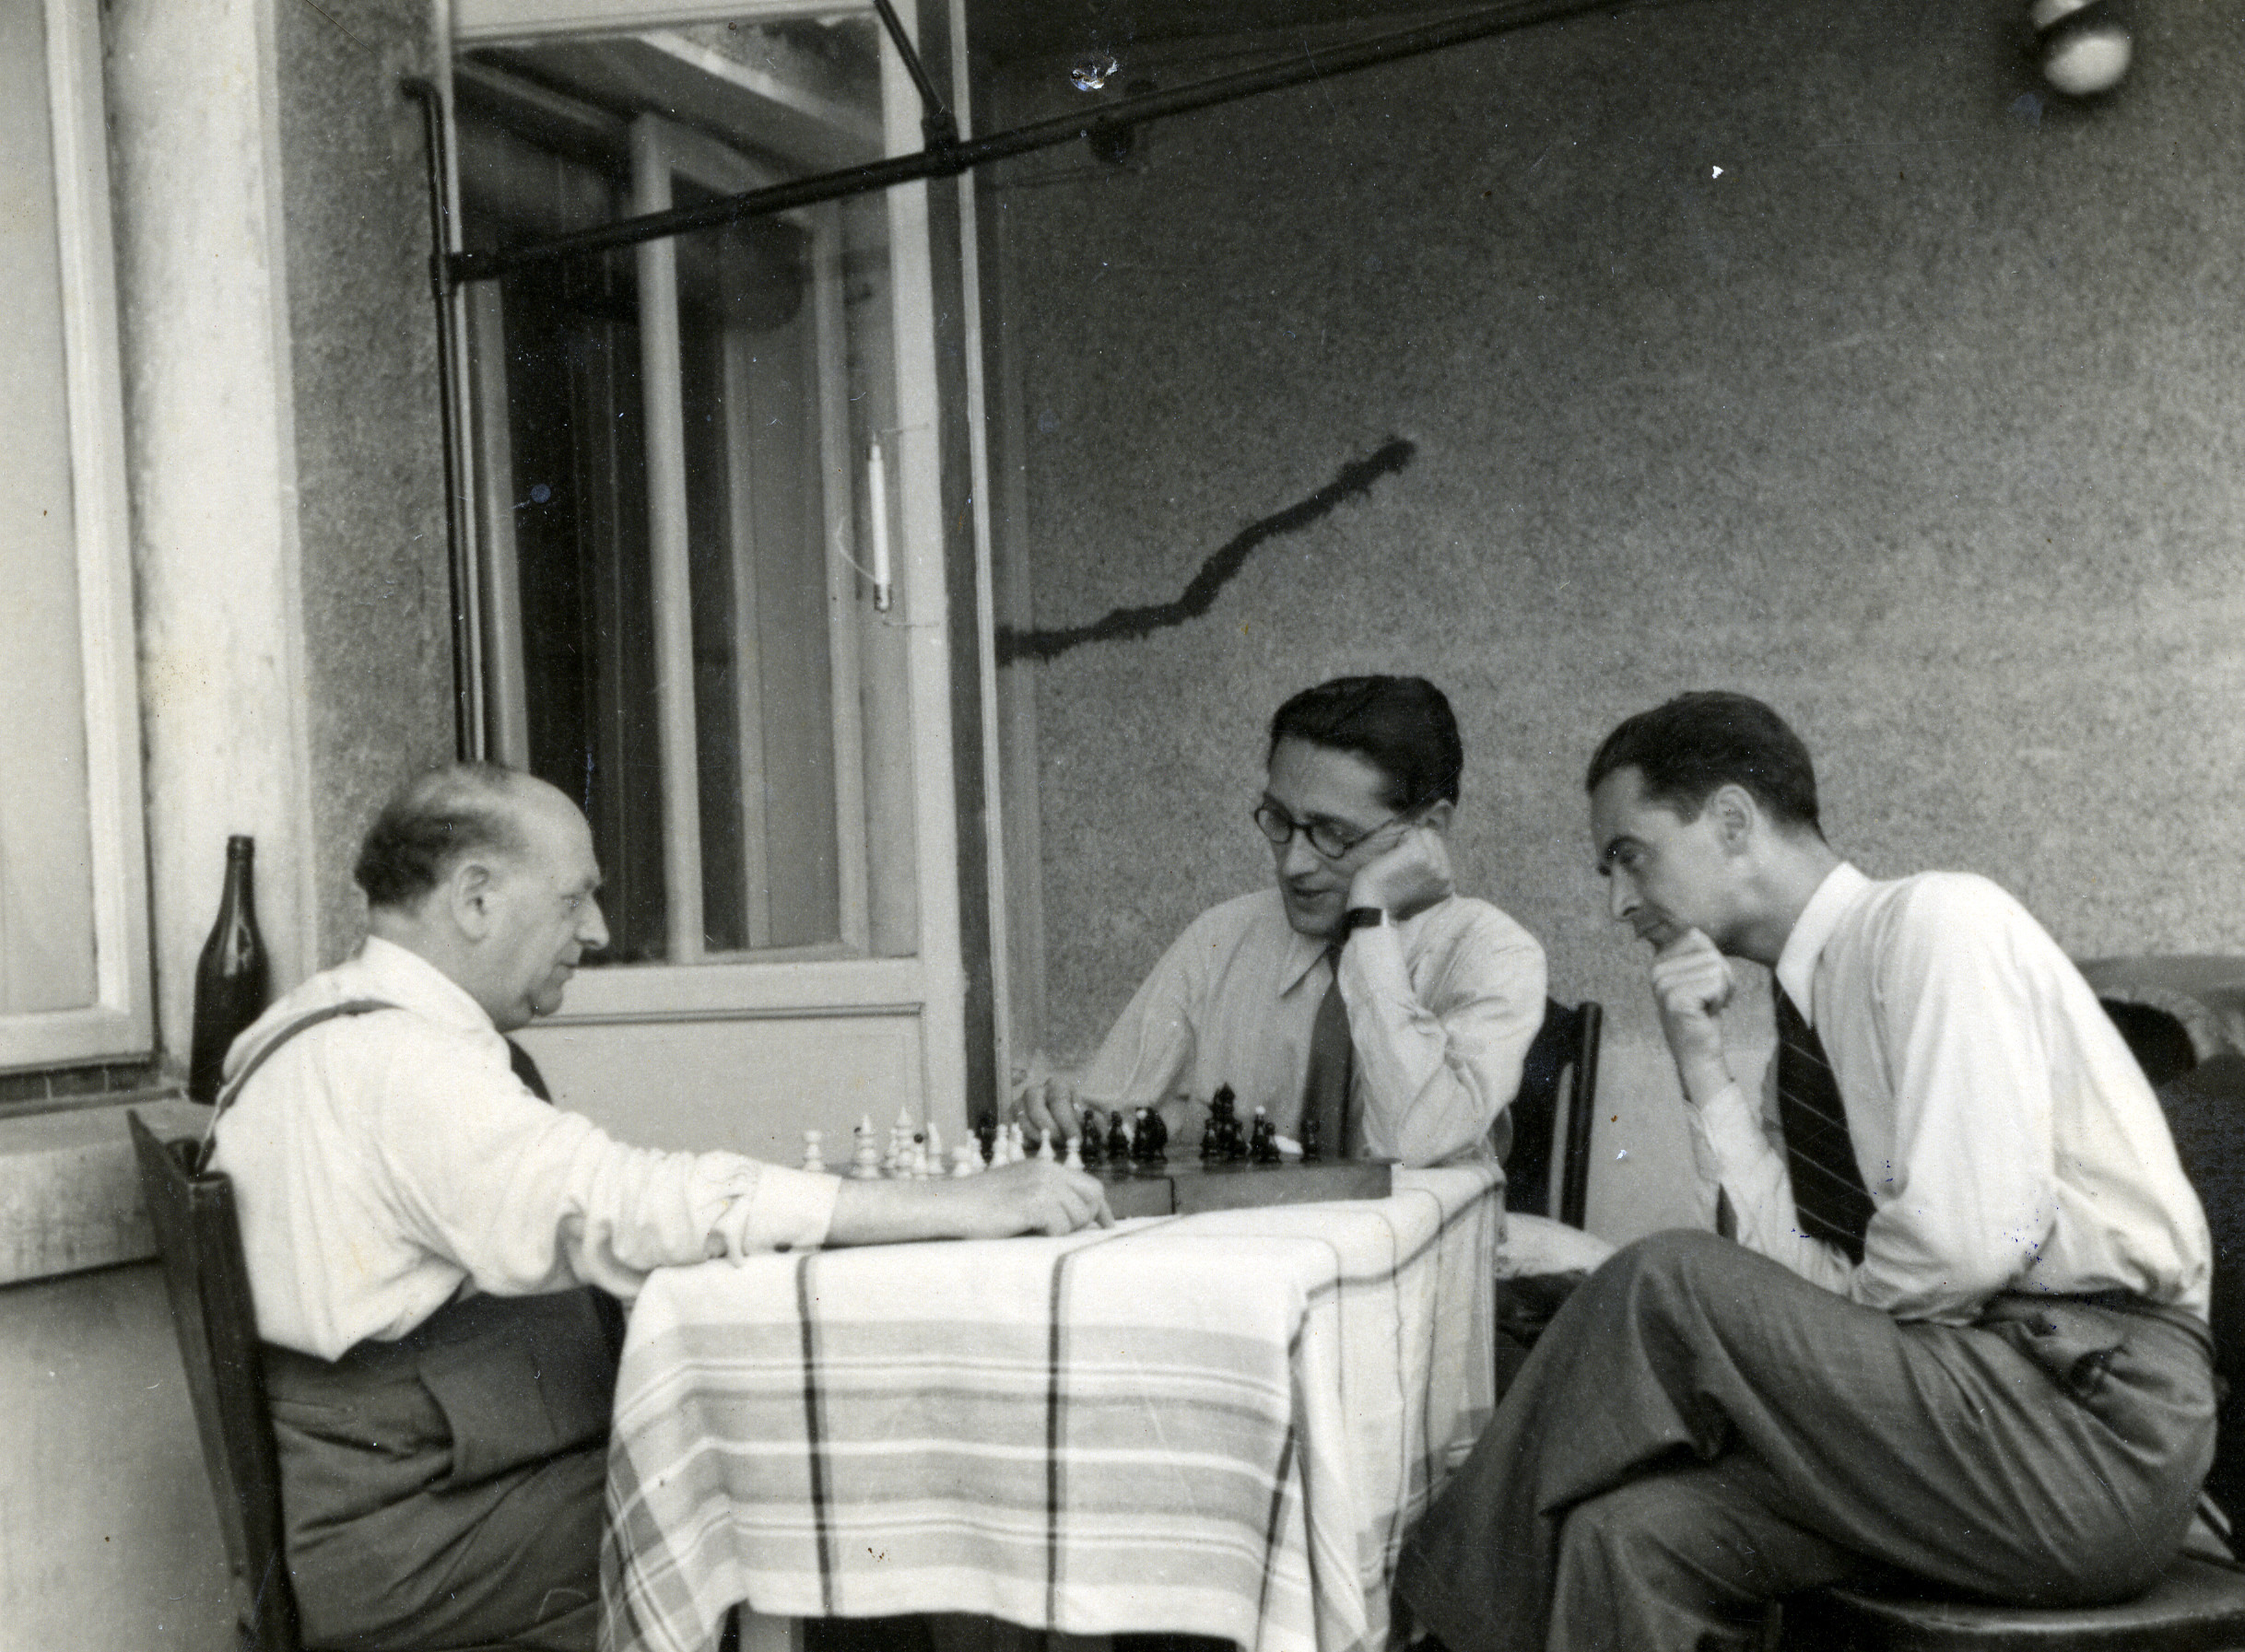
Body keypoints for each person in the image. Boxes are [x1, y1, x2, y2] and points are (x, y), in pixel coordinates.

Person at [207, 764, 1110, 1652]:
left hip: (399, 1512)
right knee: (847, 1512)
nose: (596, 931)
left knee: (807, 1487)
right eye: (574, 898)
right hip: (422, 1542)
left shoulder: (305, 1026)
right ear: (476, 897)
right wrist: (939, 1202)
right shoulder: (406, 1065)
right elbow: (627, 1203)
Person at [1394, 691, 2216, 1652]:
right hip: (1963, 1422)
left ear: (1735, 822)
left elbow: (1964, 1244)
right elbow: (1804, 1285)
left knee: (1669, 1279)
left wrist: (1777, 1340)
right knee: (1629, 1537)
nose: (1618, 901)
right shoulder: (1806, 1034)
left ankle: (1422, 1622)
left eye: (1630, 853)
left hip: (2087, 1430)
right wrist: (1701, 1061)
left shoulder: (1938, 923)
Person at [1023, 674, 1546, 1169]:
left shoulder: (1495, 954)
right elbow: (1102, 1110)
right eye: (1279, 821)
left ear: (1428, 829)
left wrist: (1369, 919)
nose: (1293, 863)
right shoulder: (1220, 938)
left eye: (1333, 833)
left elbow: (1416, 1142)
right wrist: (1059, 1112)